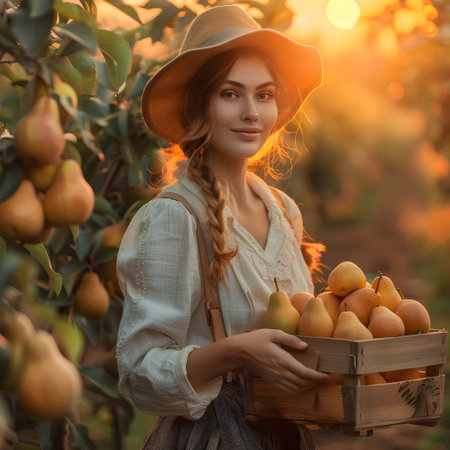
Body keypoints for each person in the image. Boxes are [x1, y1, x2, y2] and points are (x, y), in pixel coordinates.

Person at [116, 5, 328, 449]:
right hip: (215, 436)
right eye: (231, 94)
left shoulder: (283, 210)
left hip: (287, 433)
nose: (251, 111)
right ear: (200, 105)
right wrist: (235, 351)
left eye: (264, 94)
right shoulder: (175, 217)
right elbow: (139, 372)